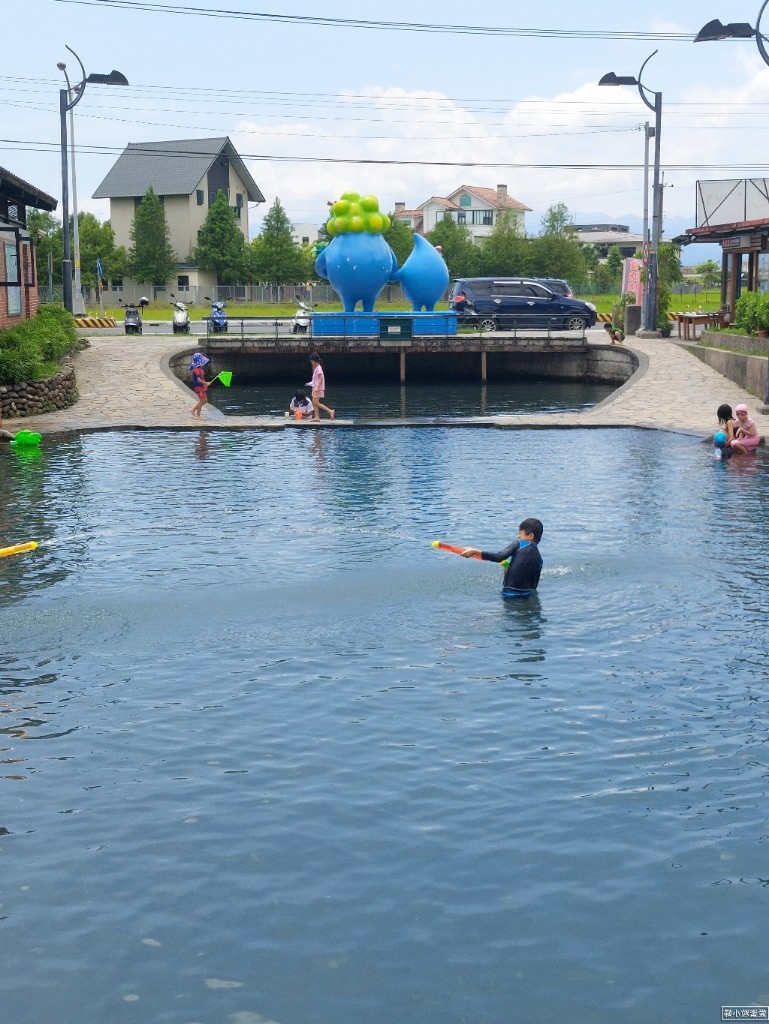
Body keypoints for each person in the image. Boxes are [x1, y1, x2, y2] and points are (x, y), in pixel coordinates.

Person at [461, 517, 544, 599]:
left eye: (520, 533)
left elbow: (499, 557)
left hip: (509, 594)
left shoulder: (519, 543)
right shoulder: (540, 560)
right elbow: (533, 586)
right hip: (526, 597)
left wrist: (476, 552)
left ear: (530, 535)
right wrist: (509, 571)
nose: (518, 536)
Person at [306, 352, 335, 421]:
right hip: (316, 388)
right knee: (314, 402)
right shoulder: (317, 368)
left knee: (316, 402)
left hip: (318, 388)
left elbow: (321, 378)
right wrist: (310, 384)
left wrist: (317, 388)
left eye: (311, 361)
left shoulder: (318, 368)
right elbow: (315, 380)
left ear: (313, 361)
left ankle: (330, 411)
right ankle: (317, 417)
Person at [189, 352, 210, 419]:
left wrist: (205, 384)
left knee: (205, 400)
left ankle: (193, 409)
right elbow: (198, 380)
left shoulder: (199, 369)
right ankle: (198, 415)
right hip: (199, 387)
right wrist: (205, 383)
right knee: (202, 401)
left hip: (202, 387)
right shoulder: (197, 370)